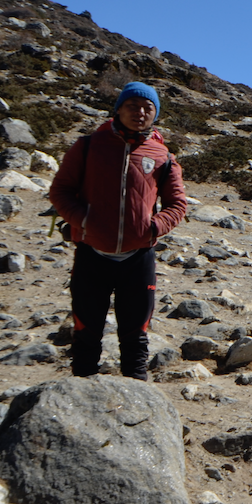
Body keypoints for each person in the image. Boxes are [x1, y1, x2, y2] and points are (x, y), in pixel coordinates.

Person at [49, 81, 188, 379]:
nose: (140, 112)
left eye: (147, 108)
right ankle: (82, 399)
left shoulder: (163, 156)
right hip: (91, 254)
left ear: (155, 114)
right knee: (86, 334)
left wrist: (154, 228)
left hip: (138, 259)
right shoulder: (88, 146)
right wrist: (82, 221)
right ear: (118, 109)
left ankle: (138, 406)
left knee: (136, 338)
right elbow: (60, 191)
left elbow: (177, 204)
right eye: (132, 106)